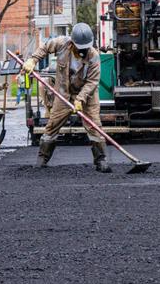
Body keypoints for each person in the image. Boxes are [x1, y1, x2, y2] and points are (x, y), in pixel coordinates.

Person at [28, 22, 111, 173]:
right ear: (72, 42)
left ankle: (101, 160)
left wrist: (80, 99)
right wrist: (33, 60)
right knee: (52, 124)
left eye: (85, 48)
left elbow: (92, 82)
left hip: (88, 96)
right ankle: (42, 158)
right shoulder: (61, 44)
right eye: (80, 47)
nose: (83, 51)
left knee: (94, 126)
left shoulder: (94, 57)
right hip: (63, 93)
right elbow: (45, 48)